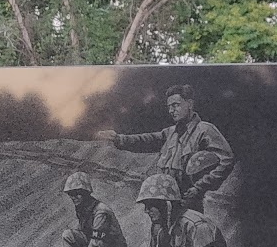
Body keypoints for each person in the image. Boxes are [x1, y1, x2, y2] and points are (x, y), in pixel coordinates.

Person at [96, 85, 234, 212]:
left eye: (175, 105)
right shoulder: (170, 132)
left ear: (190, 104)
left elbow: (226, 160)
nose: (171, 111)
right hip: (163, 201)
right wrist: (118, 138)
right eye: (169, 107)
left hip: (188, 203)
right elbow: (146, 140)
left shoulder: (205, 130)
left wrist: (199, 187)